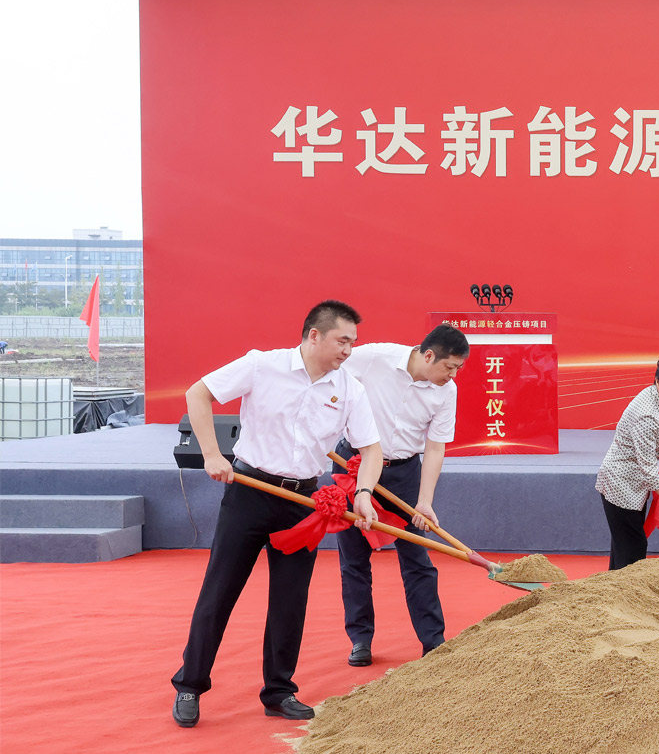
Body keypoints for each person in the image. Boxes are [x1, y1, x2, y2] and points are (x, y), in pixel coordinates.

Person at [171, 300, 385, 727]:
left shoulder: (350, 388)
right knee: (219, 592)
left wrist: (363, 492)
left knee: (290, 601)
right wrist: (212, 454)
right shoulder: (261, 365)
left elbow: (372, 449)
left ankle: (279, 691)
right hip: (249, 493)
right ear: (314, 335)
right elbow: (198, 393)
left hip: (303, 503)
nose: (348, 350)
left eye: (353, 342)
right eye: (343, 341)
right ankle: (190, 685)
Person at [334, 324, 468, 667]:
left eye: (458, 369)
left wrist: (425, 501)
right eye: (449, 367)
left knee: (417, 559)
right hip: (353, 464)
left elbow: (435, 447)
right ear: (428, 355)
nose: (452, 376)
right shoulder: (374, 358)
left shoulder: (447, 391)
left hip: (404, 472)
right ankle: (360, 639)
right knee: (354, 559)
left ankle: (433, 642)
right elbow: (328, 373)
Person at [596, 354, 659, 570]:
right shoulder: (646, 415)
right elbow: (647, 469)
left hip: (634, 482)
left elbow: (647, 463)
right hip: (620, 484)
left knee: (625, 547)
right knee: (632, 550)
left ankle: (614, 586)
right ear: (658, 381)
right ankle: (622, 589)